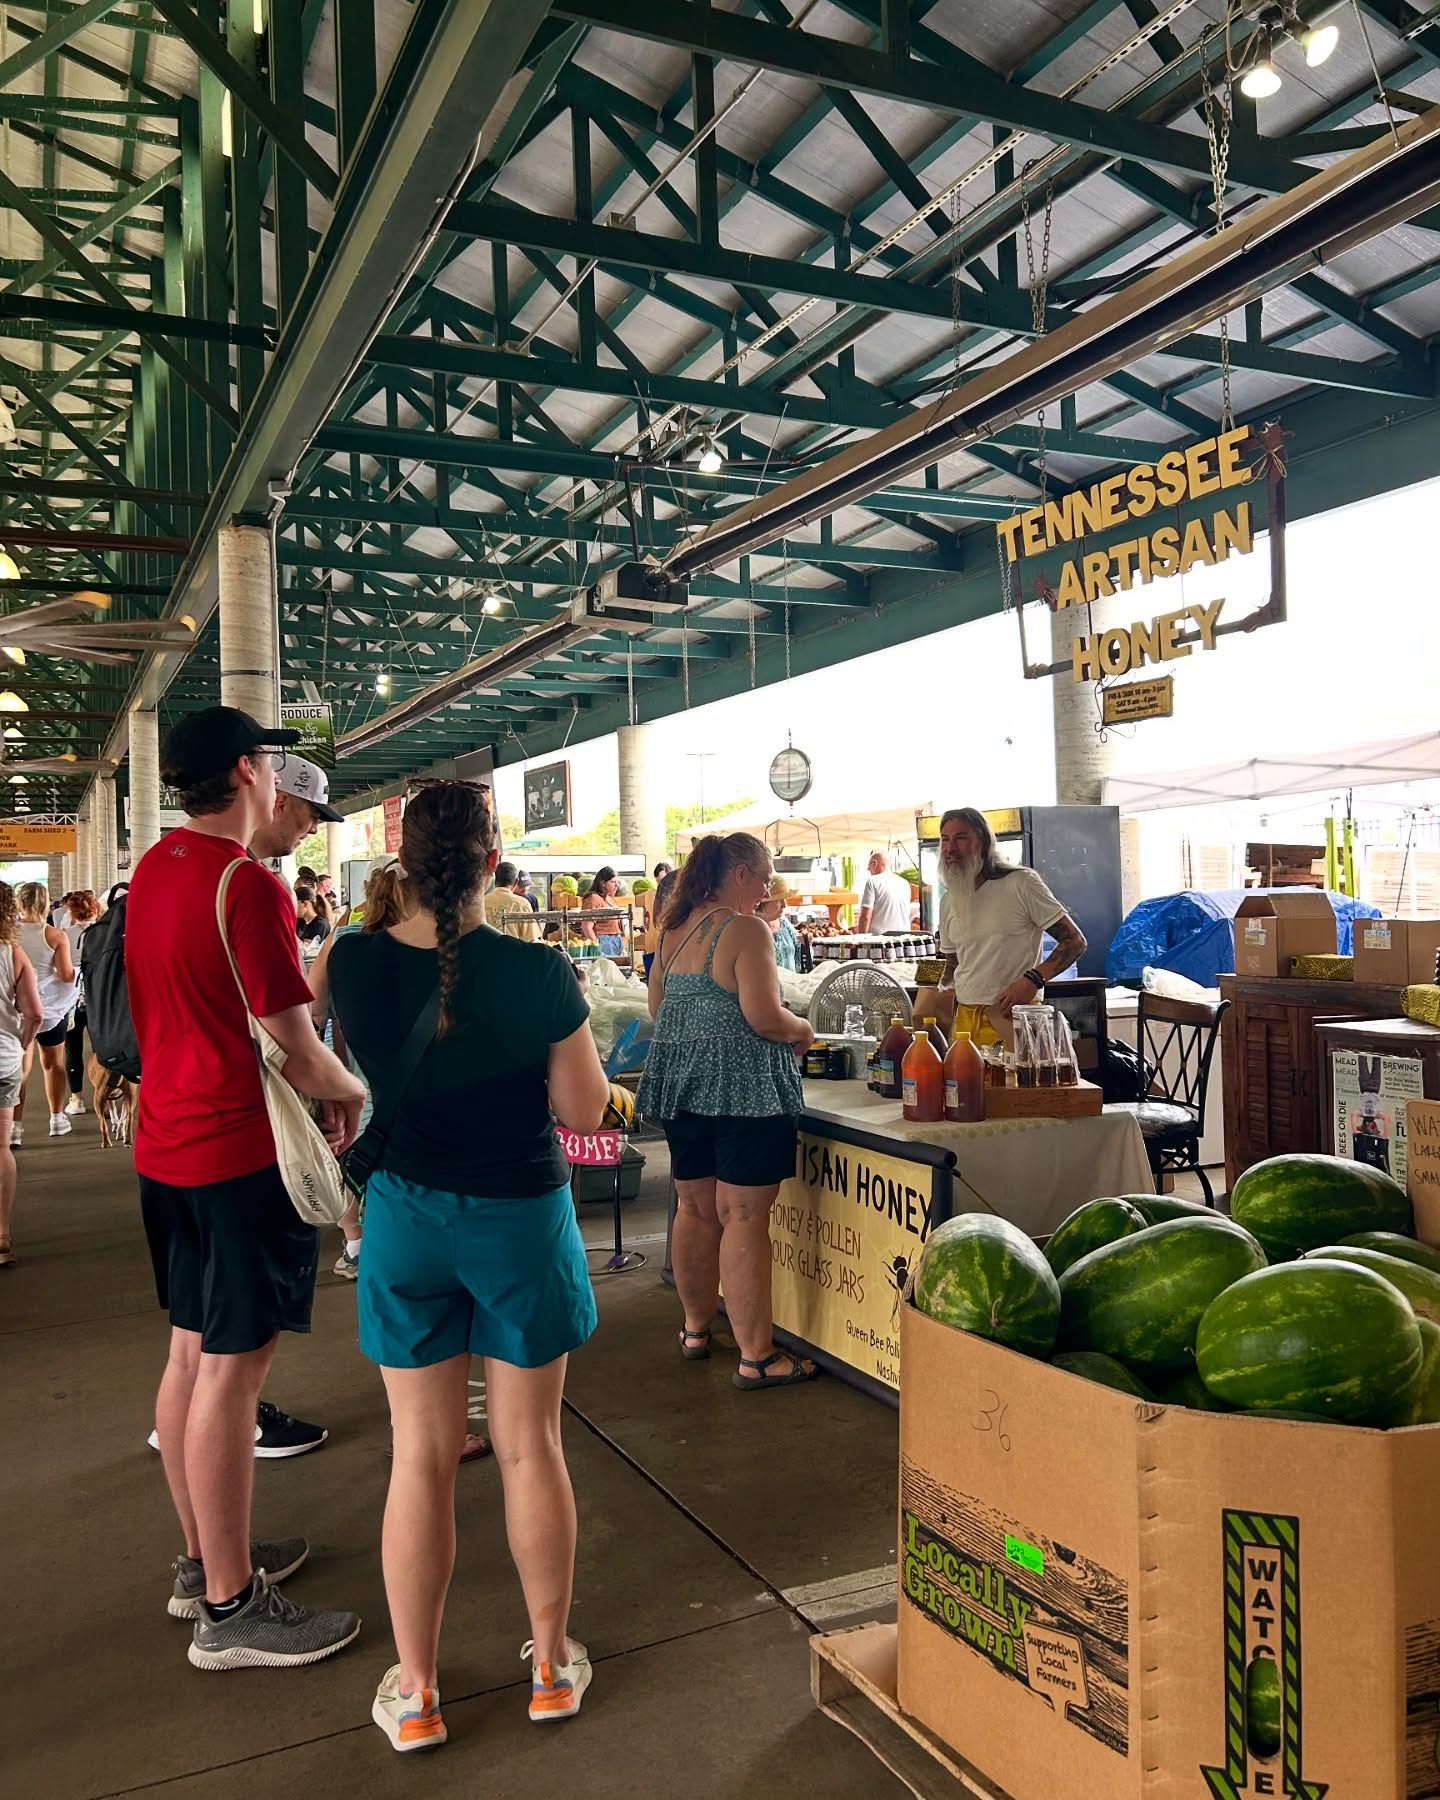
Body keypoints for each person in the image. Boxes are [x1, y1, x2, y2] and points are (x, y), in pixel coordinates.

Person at [327, 780, 609, 1753]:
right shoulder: (539, 974)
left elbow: (346, 1080)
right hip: (522, 1223)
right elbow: (582, 1115)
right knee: (530, 1446)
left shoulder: (352, 964)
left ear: (398, 865)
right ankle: (547, 1668)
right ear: (494, 863)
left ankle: (417, 1695)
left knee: (421, 1456)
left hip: (403, 1223)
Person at [127, 706, 366, 1670]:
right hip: (236, 1157)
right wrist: (355, 1093)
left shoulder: (154, 869)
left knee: (190, 1356)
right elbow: (296, 1045)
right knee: (233, 1374)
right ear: (244, 771)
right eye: (273, 763)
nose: (282, 780)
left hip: (165, 1152)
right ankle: (232, 1609)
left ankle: (203, 1561)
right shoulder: (246, 885)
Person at [639, 833, 817, 1390]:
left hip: (683, 1083)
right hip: (746, 1088)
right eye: (764, 878)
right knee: (743, 1217)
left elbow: (657, 1006)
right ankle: (757, 1356)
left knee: (692, 1207)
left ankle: (695, 1328)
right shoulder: (744, 930)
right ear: (738, 874)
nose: (767, 891)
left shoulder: (673, 930)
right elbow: (764, 1016)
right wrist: (804, 1029)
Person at [912, 808, 1088, 1045]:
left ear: (983, 843)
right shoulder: (949, 899)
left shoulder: (1021, 883)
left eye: (961, 838)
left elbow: (1075, 941)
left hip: (1011, 1017)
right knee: (964, 1084)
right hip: (964, 1022)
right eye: (945, 839)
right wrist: (922, 983)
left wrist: (1033, 980)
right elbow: (950, 961)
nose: (950, 848)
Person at [0, 882, 46, 1266]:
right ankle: (2, 1234)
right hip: (3, 1058)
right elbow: (35, 1014)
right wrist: (24, 1043)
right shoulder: (13, 954)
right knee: (1, 1149)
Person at [15, 881, 77, 1144]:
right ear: (46, 902)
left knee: (20, 1069)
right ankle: (57, 1118)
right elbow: (65, 975)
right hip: (50, 1010)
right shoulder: (55, 935)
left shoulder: (9, 934)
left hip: (18, 1009)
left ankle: (14, 1127)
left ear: (20, 903)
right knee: (53, 1063)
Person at [60, 888, 101, 1116]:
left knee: (72, 1049)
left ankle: (76, 1099)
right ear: (94, 909)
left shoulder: (64, 935)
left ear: (72, 912)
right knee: (102, 1048)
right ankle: (105, 1093)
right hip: (99, 1001)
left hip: (71, 1001)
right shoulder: (105, 933)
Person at [856, 849, 913, 936]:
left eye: (869, 867)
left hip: (879, 940)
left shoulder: (873, 881)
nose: (868, 870)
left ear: (874, 863)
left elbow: (865, 917)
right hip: (903, 939)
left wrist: (859, 940)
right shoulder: (904, 883)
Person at [484, 860, 539, 943]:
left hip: (486, 953)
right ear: (516, 882)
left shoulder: (482, 901)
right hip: (515, 954)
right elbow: (531, 940)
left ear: (495, 880)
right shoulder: (522, 904)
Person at [756, 874, 802, 973]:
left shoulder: (785, 924)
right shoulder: (751, 928)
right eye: (778, 900)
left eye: (784, 899)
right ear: (763, 903)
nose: (784, 905)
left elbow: (799, 958)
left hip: (791, 985)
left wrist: (807, 944)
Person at [580, 865, 625, 958]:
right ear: (603, 883)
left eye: (617, 882)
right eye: (613, 882)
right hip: (604, 941)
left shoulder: (610, 899)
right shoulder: (593, 898)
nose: (617, 885)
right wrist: (597, 948)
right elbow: (586, 927)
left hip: (616, 940)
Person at [294, 883, 331, 966]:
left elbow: (306, 951)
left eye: (295, 904)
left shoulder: (320, 924)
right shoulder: (300, 922)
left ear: (305, 904)